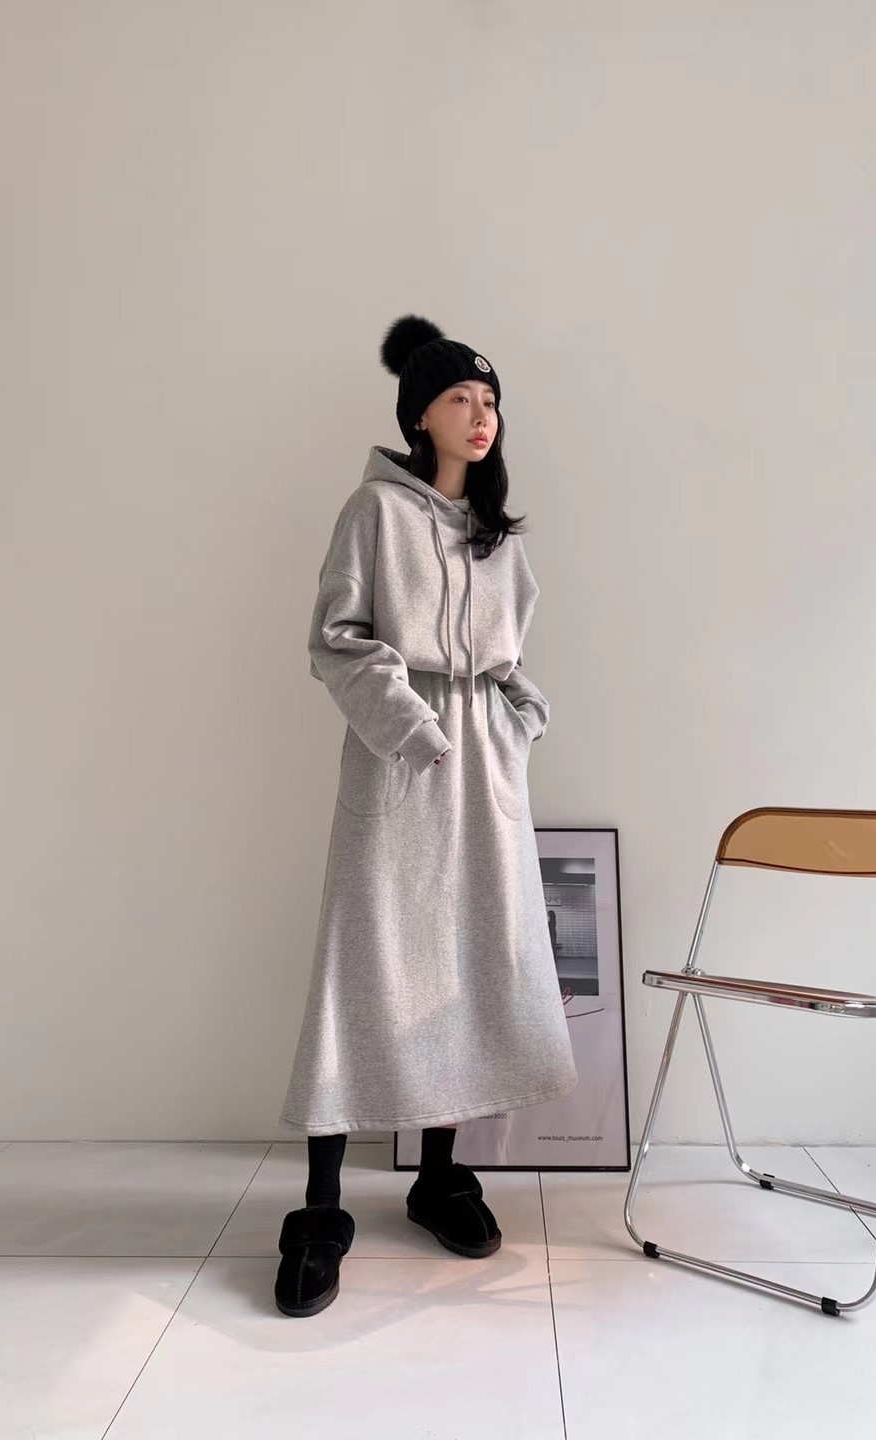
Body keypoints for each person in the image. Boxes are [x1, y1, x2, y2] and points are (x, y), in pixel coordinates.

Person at [275, 314, 578, 1317]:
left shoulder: (499, 536)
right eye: (461, 398)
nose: (481, 415)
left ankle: (439, 1176)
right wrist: (413, 727)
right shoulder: (374, 510)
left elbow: (510, 652)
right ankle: (321, 1209)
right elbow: (337, 637)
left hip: (488, 768)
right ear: (419, 415)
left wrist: (516, 719)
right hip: (401, 762)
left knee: (470, 957)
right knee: (364, 962)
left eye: (491, 401)